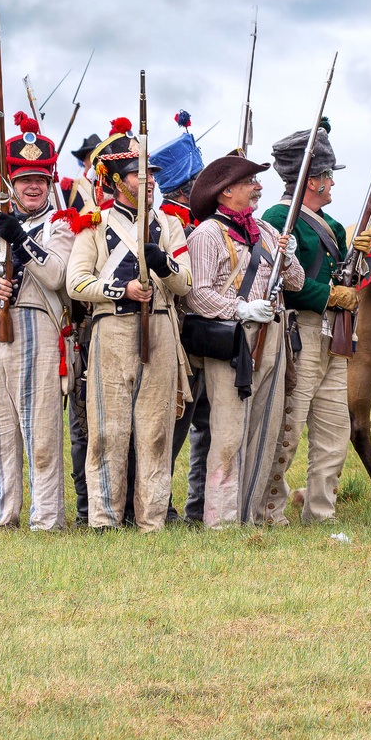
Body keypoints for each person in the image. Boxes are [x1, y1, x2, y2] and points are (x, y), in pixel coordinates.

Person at [67, 118, 193, 532]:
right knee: (107, 431)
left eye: (152, 174)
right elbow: (77, 282)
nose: (150, 180)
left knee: (156, 433)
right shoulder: (94, 223)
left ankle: (151, 520)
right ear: (118, 181)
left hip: (159, 327)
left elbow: (186, 283)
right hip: (111, 331)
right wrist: (123, 290)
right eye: (141, 174)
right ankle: (104, 520)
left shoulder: (170, 223)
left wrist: (163, 265)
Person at [0, 114, 74, 530]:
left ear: (50, 184)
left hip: (39, 330)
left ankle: (47, 519)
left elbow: (58, 274)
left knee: (41, 434)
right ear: (11, 183)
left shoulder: (61, 226)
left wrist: (22, 240)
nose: (32, 187)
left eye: (40, 180)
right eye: (24, 178)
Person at [185, 154, 304, 528]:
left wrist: (288, 256)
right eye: (250, 182)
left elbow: (296, 283)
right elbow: (197, 296)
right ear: (226, 192)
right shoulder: (205, 234)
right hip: (233, 338)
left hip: (272, 335)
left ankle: (250, 517)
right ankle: (220, 523)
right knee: (229, 434)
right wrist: (241, 309)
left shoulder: (266, 232)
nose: (258, 188)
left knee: (266, 429)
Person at [260, 124, 353, 523]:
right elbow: (281, 281)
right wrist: (328, 295)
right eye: (328, 176)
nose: (332, 183)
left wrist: (356, 267)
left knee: (335, 432)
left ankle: (320, 511)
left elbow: (344, 280)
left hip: (335, 335)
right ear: (313, 180)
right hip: (301, 332)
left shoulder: (332, 226)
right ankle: (269, 510)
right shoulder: (277, 218)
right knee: (289, 428)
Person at [150, 112, 210, 524]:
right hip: (180, 333)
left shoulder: (200, 220)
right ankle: (161, 504)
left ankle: (200, 505)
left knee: (205, 423)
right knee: (175, 424)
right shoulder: (172, 223)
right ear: (188, 187)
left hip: (209, 333)